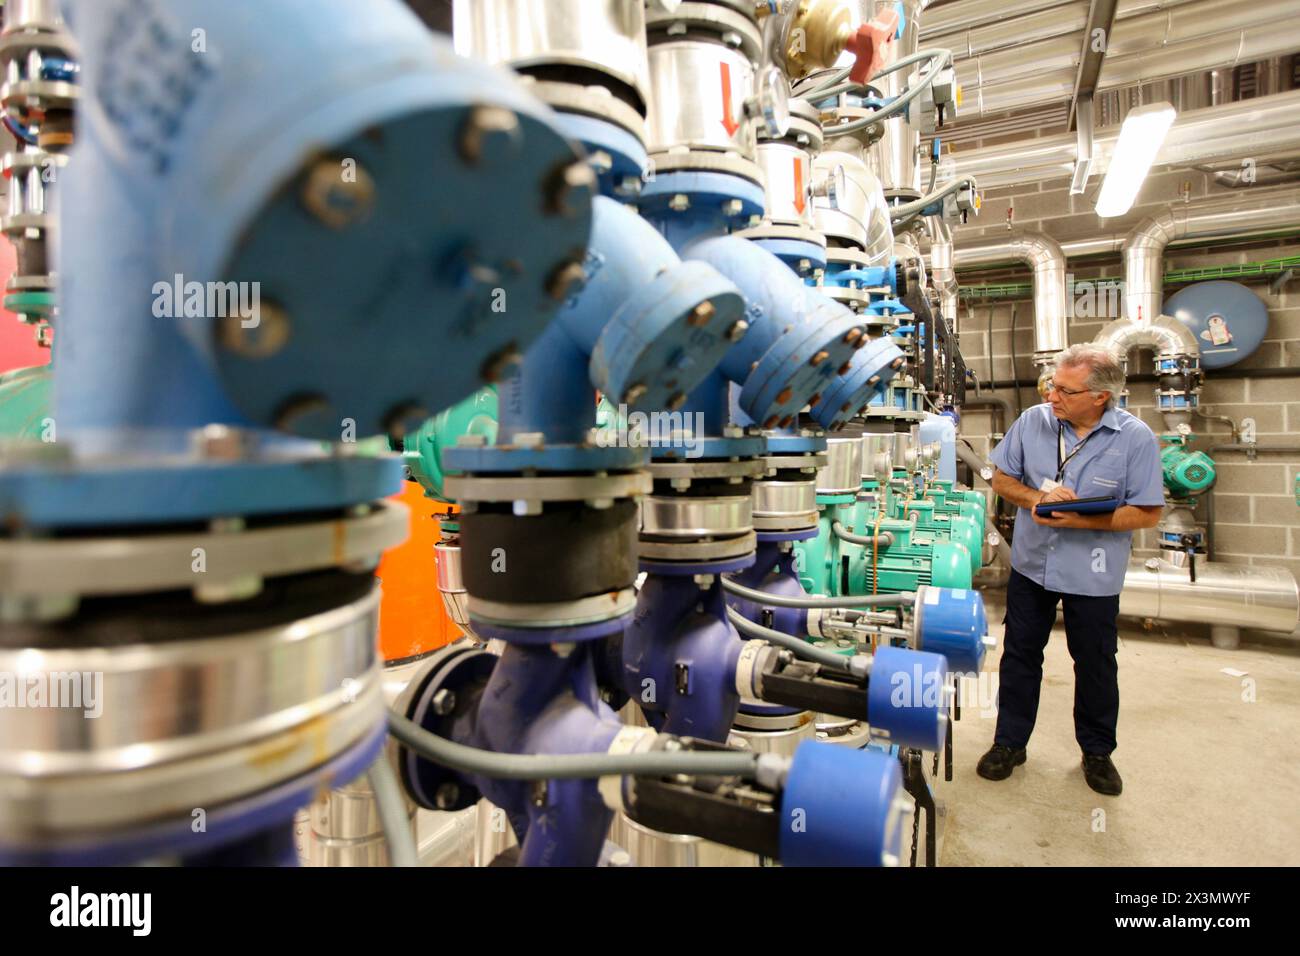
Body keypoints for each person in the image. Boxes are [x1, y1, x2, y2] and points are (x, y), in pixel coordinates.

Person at [977, 343, 1164, 796]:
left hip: (1093, 575)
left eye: (1064, 390)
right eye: (1051, 386)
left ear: (1101, 396)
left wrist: (1084, 518)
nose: (1052, 396)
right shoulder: (1033, 422)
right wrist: (1037, 499)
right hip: (1032, 565)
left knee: (1096, 663)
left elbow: (1147, 512)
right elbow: (1000, 479)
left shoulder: (1135, 439)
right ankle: (1009, 743)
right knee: (1020, 655)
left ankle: (1097, 753)